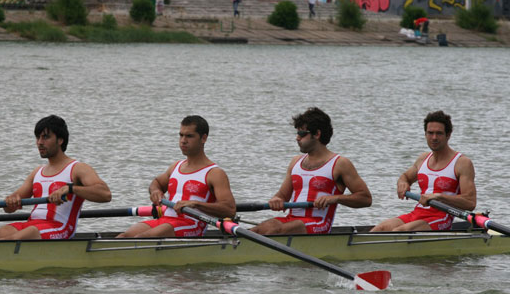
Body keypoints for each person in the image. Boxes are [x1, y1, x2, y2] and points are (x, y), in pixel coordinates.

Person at [0, 115, 112, 240]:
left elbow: (105, 195)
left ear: (60, 140)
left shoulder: (78, 168)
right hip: (33, 224)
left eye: (45, 137)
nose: (39, 142)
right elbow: (9, 209)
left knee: (21, 236)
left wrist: (71, 189)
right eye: (38, 138)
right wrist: (10, 201)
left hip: (60, 228)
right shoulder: (37, 172)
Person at [251, 107, 372, 235]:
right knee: (258, 229)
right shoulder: (295, 162)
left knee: (276, 230)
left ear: (317, 134)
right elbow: (282, 195)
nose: (297, 138)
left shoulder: (340, 164)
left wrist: (335, 198)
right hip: (292, 220)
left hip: (319, 224)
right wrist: (276, 199)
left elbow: (365, 199)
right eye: (297, 133)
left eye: (302, 134)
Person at [117, 115, 236, 238]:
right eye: (181, 135)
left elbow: (229, 210)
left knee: (142, 238)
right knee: (124, 236)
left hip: (192, 225)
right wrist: (155, 191)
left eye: (189, 136)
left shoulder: (214, 173)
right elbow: (156, 182)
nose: (183, 140)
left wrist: (195, 204)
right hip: (166, 220)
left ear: (203, 138)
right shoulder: (176, 166)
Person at [371, 111, 476, 232]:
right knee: (379, 229)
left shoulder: (462, 163)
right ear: (425, 134)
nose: (434, 138)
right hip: (418, 213)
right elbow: (405, 177)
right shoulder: (423, 159)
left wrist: (439, 197)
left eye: (439, 133)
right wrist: (403, 183)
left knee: (399, 232)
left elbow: (470, 202)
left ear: (448, 135)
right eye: (430, 133)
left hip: (441, 218)